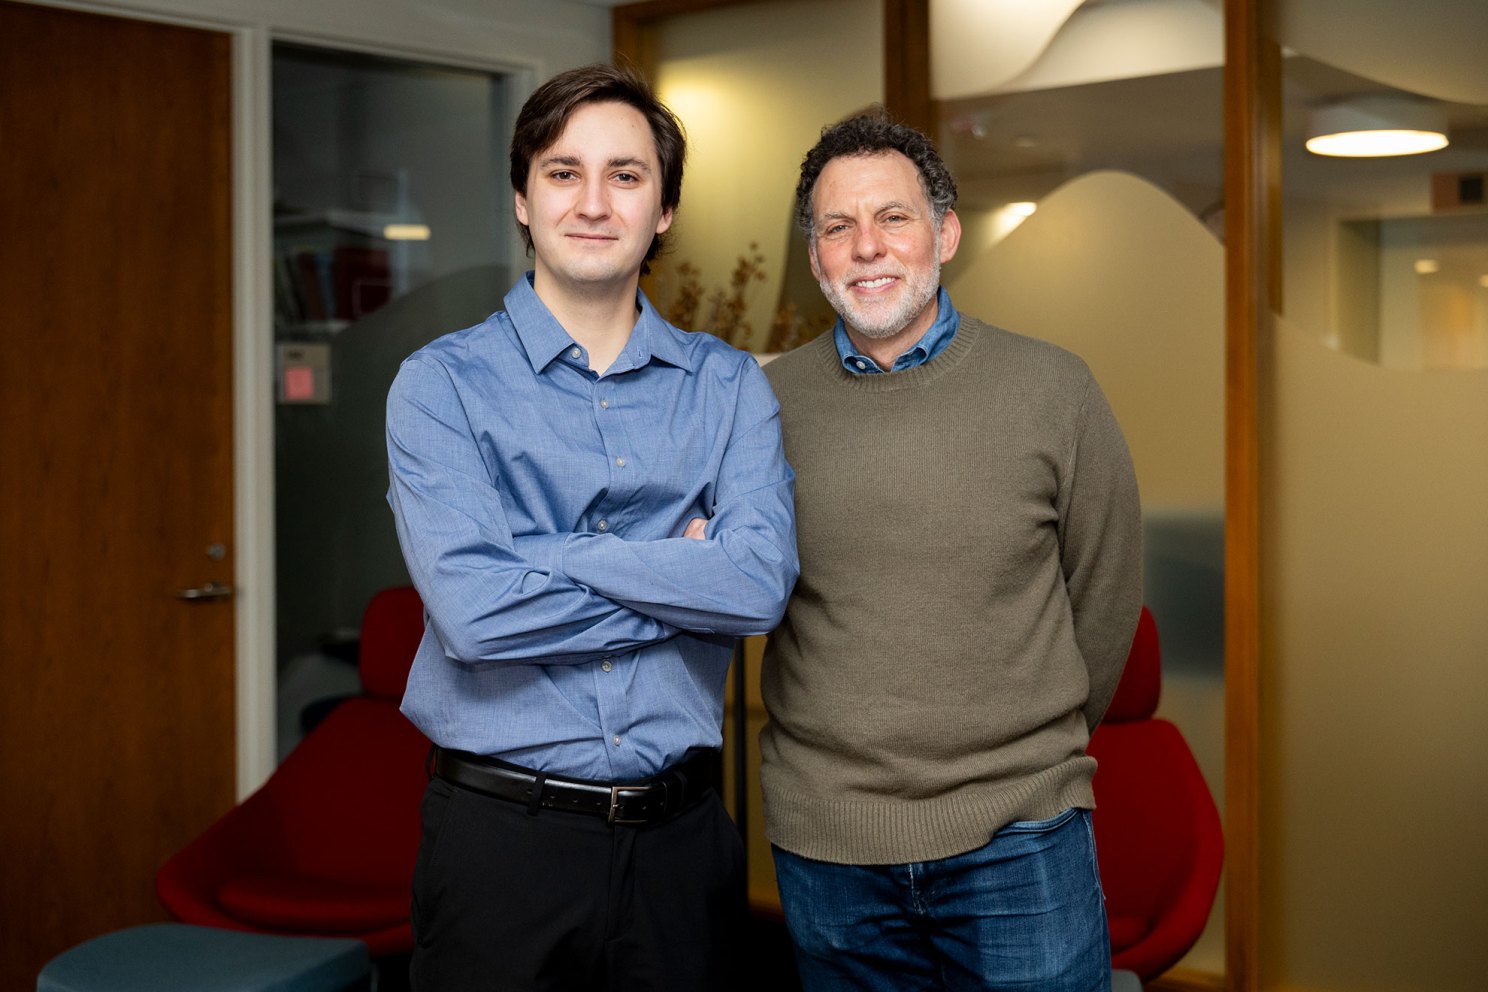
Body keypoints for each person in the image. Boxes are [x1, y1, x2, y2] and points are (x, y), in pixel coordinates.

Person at [384, 63, 798, 991]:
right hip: (501, 848)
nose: (593, 201)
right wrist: (676, 577)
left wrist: (551, 559)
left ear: (662, 212)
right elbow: (475, 617)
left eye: (627, 174)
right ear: (523, 201)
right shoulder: (440, 386)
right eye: (564, 172)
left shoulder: (729, 388)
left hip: (683, 848)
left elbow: (758, 586)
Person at [759, 109, 1142, 992]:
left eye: (893, 217)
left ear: (946, 232)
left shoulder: (1056, 389)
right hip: (829, 848)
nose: (867, 247)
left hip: (1021, 838)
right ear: (815, 256)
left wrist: (1033, 751)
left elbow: (1107, 593)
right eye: (837, 227)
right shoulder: (760, 406)